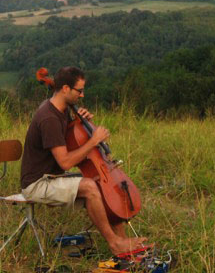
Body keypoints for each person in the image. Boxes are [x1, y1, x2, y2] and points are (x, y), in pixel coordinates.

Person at [21, 66, 146, 255]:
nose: (82, 95)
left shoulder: (62, 109)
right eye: (79, 91)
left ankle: (123, 241)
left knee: (101, 185)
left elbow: (69, 138)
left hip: (52, 176)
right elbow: (65, 162)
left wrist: (79, 122)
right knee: (89, 187)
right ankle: (115, 243)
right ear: (65, 89)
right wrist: (93, 141)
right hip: (37, 183)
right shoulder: (49, 118)